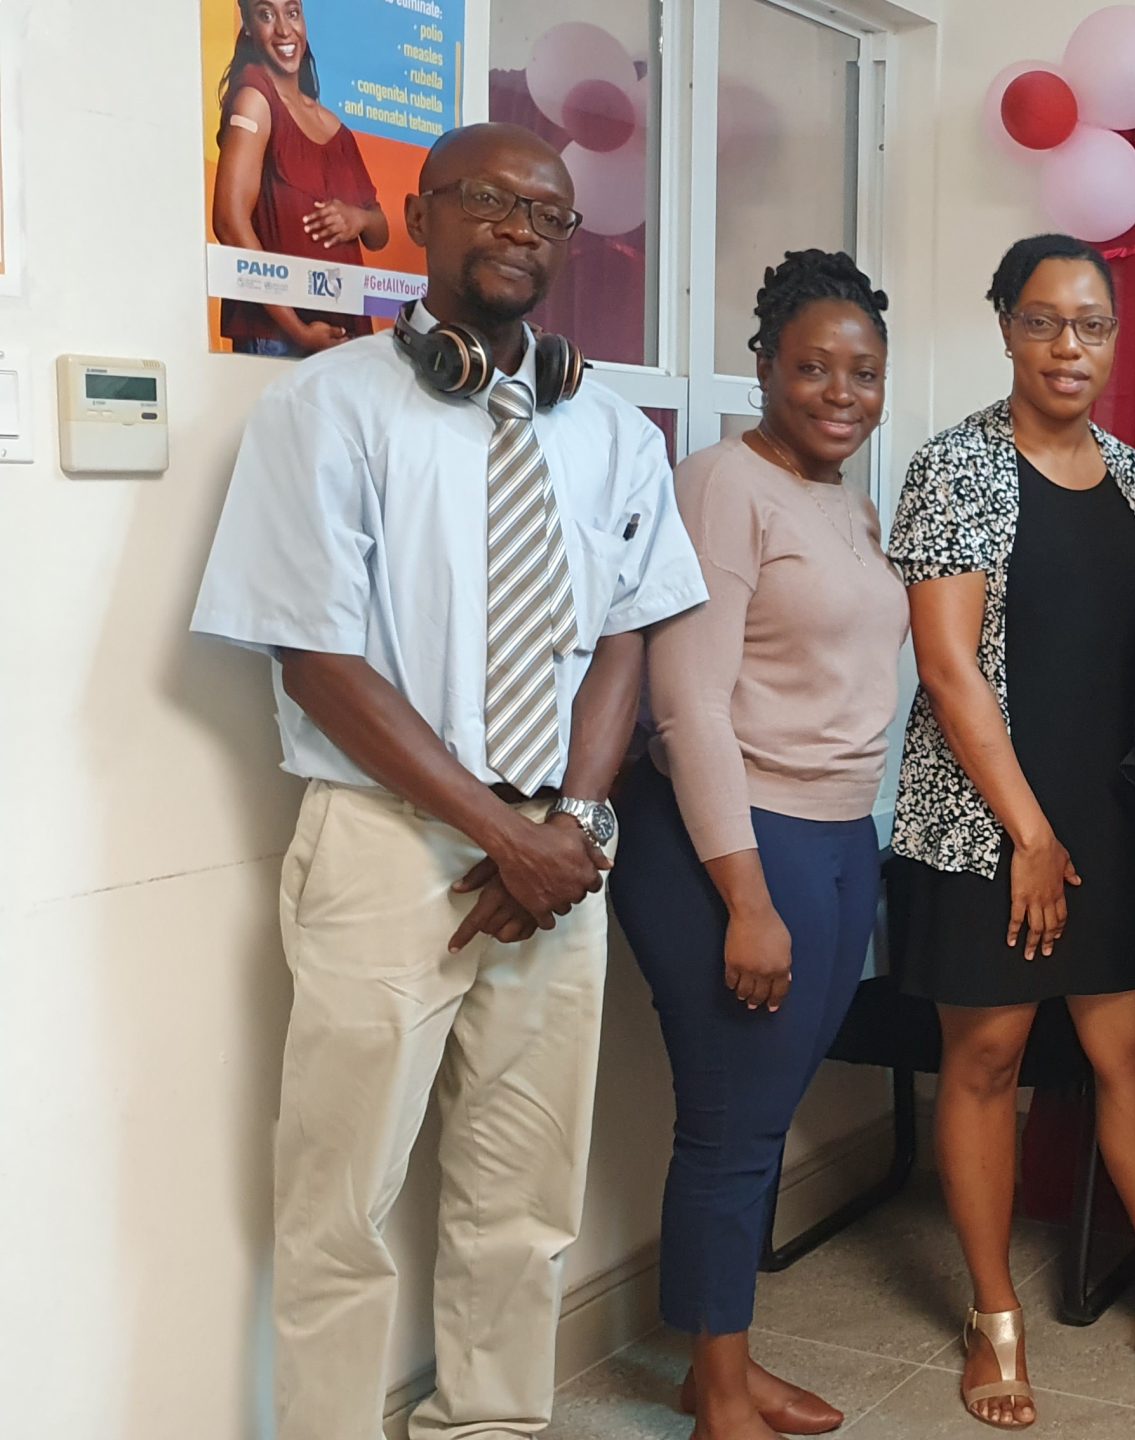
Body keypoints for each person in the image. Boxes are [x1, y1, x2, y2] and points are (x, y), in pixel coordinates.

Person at [189, 123, 707, 1440]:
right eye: (487, 199)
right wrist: (499, 833)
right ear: (420, 217)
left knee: (524, 1196)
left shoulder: (611, 433)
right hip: (388, 845)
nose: (519, 227)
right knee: (340, 1202)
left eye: (546, 211)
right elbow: (316, 658)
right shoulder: (325, 409)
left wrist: (569, 824)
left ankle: (492, 1423)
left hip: (559, 854)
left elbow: (623, 637)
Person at [884, 234, 1135, 1429]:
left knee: (1132, 1061)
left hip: (1108, 828)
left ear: (1115, 339)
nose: (1069, 347)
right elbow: (948, 669)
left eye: (1091, 325)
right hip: (987, 828)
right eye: (1042, 321)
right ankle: (993, 1317)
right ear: (1006, 327)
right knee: (987, 1062)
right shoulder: (954, 465)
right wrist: (1028, 835)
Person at [610, 249, 907, 1440]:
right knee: (731, 1123)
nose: (841, 393)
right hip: (736, 842)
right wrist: (744, 899)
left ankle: (716, 1366)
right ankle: (718, 1398)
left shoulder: (843, 502)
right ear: (764, 368)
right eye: (813, 367)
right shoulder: (719, 486)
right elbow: (685, 707)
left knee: (763, 1112)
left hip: (834, 830)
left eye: (863, 372)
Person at [211, 0, 390, 356]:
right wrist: (297, 330)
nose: (283, 29)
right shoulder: (254, 101)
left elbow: (379, 233)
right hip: (278, 336)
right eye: (266, 15)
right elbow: (229, 223)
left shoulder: (335, 128)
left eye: (292, 13)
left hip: (344, 337)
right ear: (248, 26)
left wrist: (358, 218)